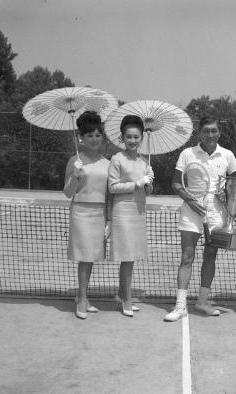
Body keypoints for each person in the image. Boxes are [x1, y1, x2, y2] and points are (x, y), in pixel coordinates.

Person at [164, 116, 236, 322]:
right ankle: (180, 306)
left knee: (210, 256)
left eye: (214, 130)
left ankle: (202, 301)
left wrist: (229, 193)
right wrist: (190, 201)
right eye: (206, 130)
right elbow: (176, 183)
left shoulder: (228, 155)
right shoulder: (187, 154)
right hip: (191, 213)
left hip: (216, 215)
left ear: (219, 132)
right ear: (199, 133)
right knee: (187, 257)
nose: (210, 134)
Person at [63, 111, 111, 320]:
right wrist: (75, 175)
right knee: (84, 258)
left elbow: (110, 195)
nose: (94, 139)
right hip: (80, 212)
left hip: (99, 214)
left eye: (97, 135)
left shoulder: (108, 163)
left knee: (91, 258)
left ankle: (82, 296)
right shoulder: (75, 160)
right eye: (89, 135)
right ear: (81, 138)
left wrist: (109, 220)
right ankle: (82, 299)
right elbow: (67, 193)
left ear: (102, 138)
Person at [108, 115, 154, 317]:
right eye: (129, 137)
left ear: (141, 138)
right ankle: (126, 299)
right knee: (126, 258)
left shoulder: (145, 162)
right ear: (122, 138)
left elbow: (148, 191)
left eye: (136, 137)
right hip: (123, 212)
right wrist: (135, 183)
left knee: (131, 258)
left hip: (138, 211)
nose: (133, 141)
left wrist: (149, 182)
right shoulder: (117, 159)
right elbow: (112, 186)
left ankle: (120, 294)